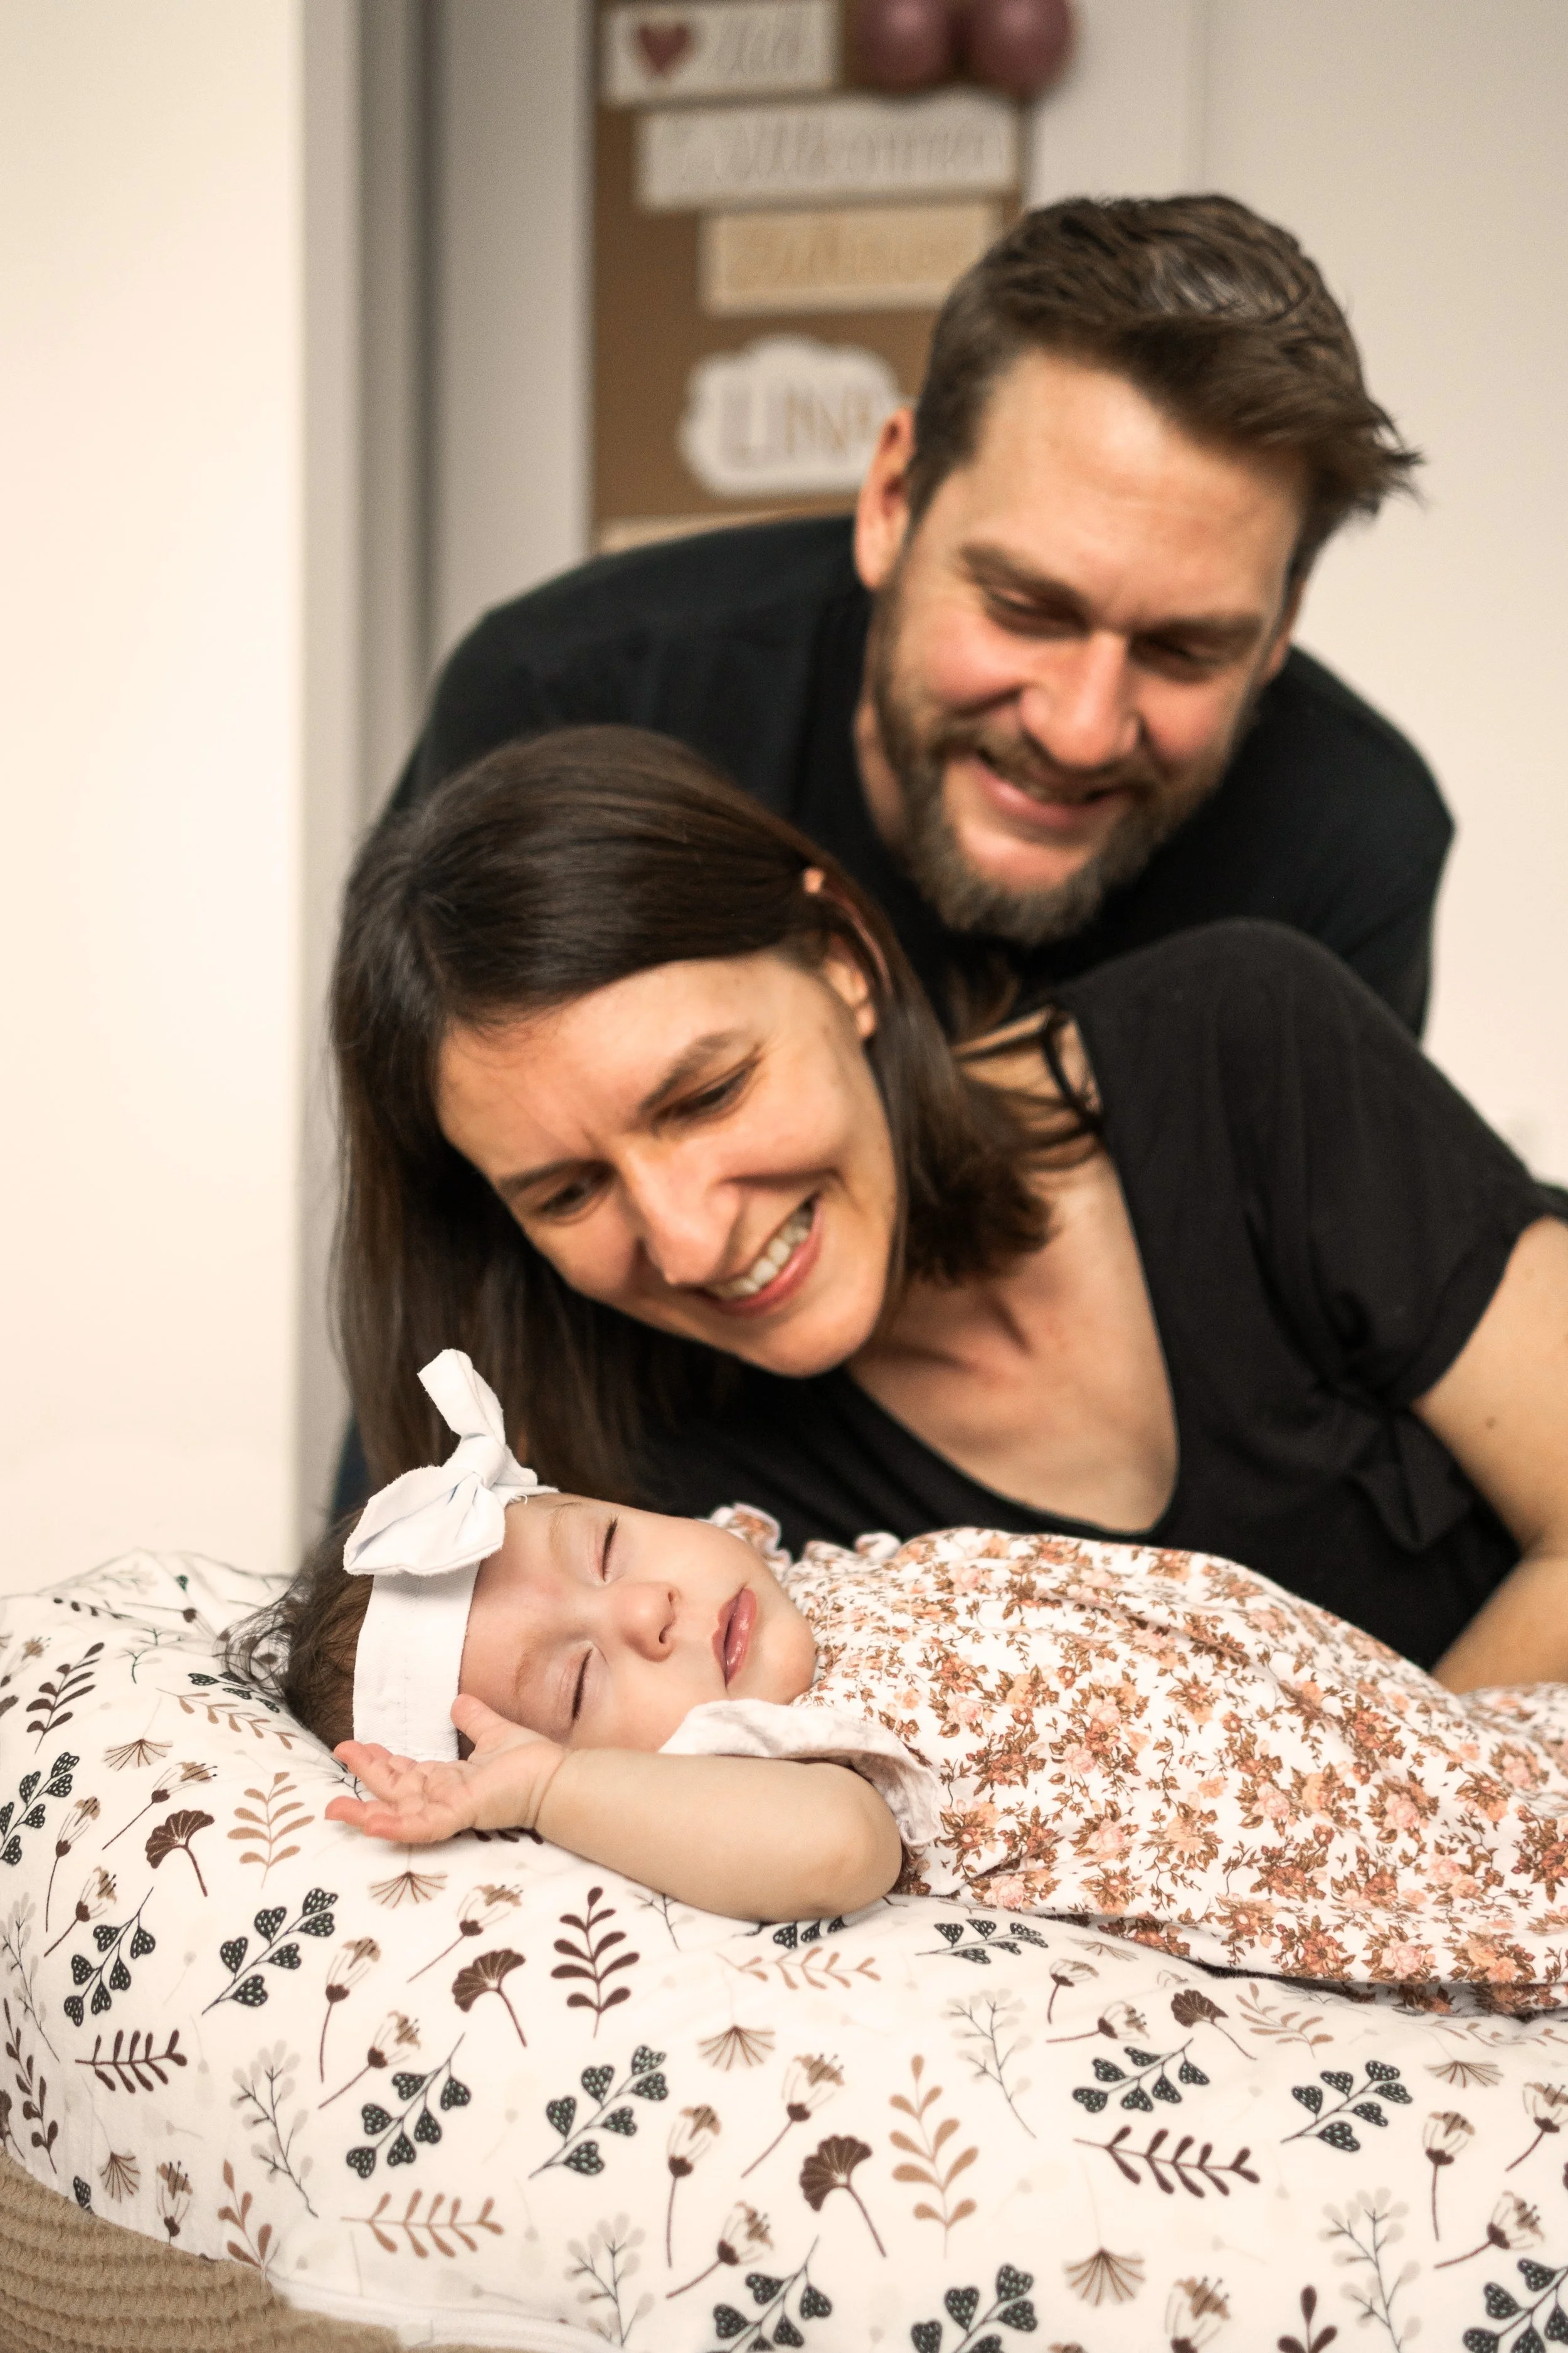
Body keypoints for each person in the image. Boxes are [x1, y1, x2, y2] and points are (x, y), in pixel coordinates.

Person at [329, 726, 1568, 1689]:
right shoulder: (647, 1526)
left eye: (706, 1094)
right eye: (567, 1191)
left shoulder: (1241, 1042)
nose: (689, 1237)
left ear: (842, 965)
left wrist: (1381, 1898)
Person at [388, 194, 1445, 1039]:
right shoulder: (563, 702)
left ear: (1281, 625)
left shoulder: (1352, 841)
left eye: (1184, 649)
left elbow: (1286, 1290)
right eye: (1027, 608)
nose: (1079, 729)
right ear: (893, 501)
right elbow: (461, 1244)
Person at [287, 1351, 1568, 2005]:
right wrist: (554, 1789)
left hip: (1440, 1741)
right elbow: (831, 1853)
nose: (646, 1608)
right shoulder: (765, 1753)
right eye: (577, 1683)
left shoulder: (774, 1565)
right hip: (1426, 1873)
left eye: (610, 1544)